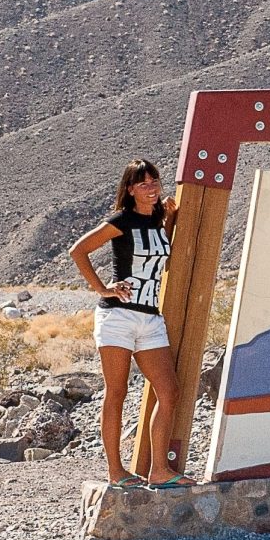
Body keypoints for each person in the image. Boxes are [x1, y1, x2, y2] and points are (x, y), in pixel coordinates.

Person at [67, 159, 181, 487]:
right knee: (117, 392)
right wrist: (103, 288)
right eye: (143, 184)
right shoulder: (121, 220)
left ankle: (159, 470)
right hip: (117, 316)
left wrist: (170, 218)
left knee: (169, 391)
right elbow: (79, 251)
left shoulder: (159, 219)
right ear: (130, 189)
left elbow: (162, 254)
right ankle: (116, 472)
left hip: (150, 318)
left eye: (154, 181)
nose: (151, 188)